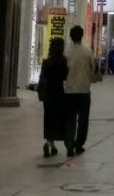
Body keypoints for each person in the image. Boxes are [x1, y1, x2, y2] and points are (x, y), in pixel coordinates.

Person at [63, 24, 96, 157]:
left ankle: (69, 145)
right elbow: (93, 69)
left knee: (70, 119)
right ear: (82, 36)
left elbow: (63, 71)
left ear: (71, 37)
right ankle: (79, 144)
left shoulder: (66, 52)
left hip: (69, 90)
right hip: (84, 90)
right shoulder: (87, 51)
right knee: (83, 120)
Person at [37, 35, 68, 158]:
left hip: (48, 95)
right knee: (58, 119)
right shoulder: (64, 62)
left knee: (48, 119)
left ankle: (49, 143)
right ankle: (53, 144)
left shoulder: (46, 62)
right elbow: (66, 77)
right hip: (60, 94)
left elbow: (42, 78)